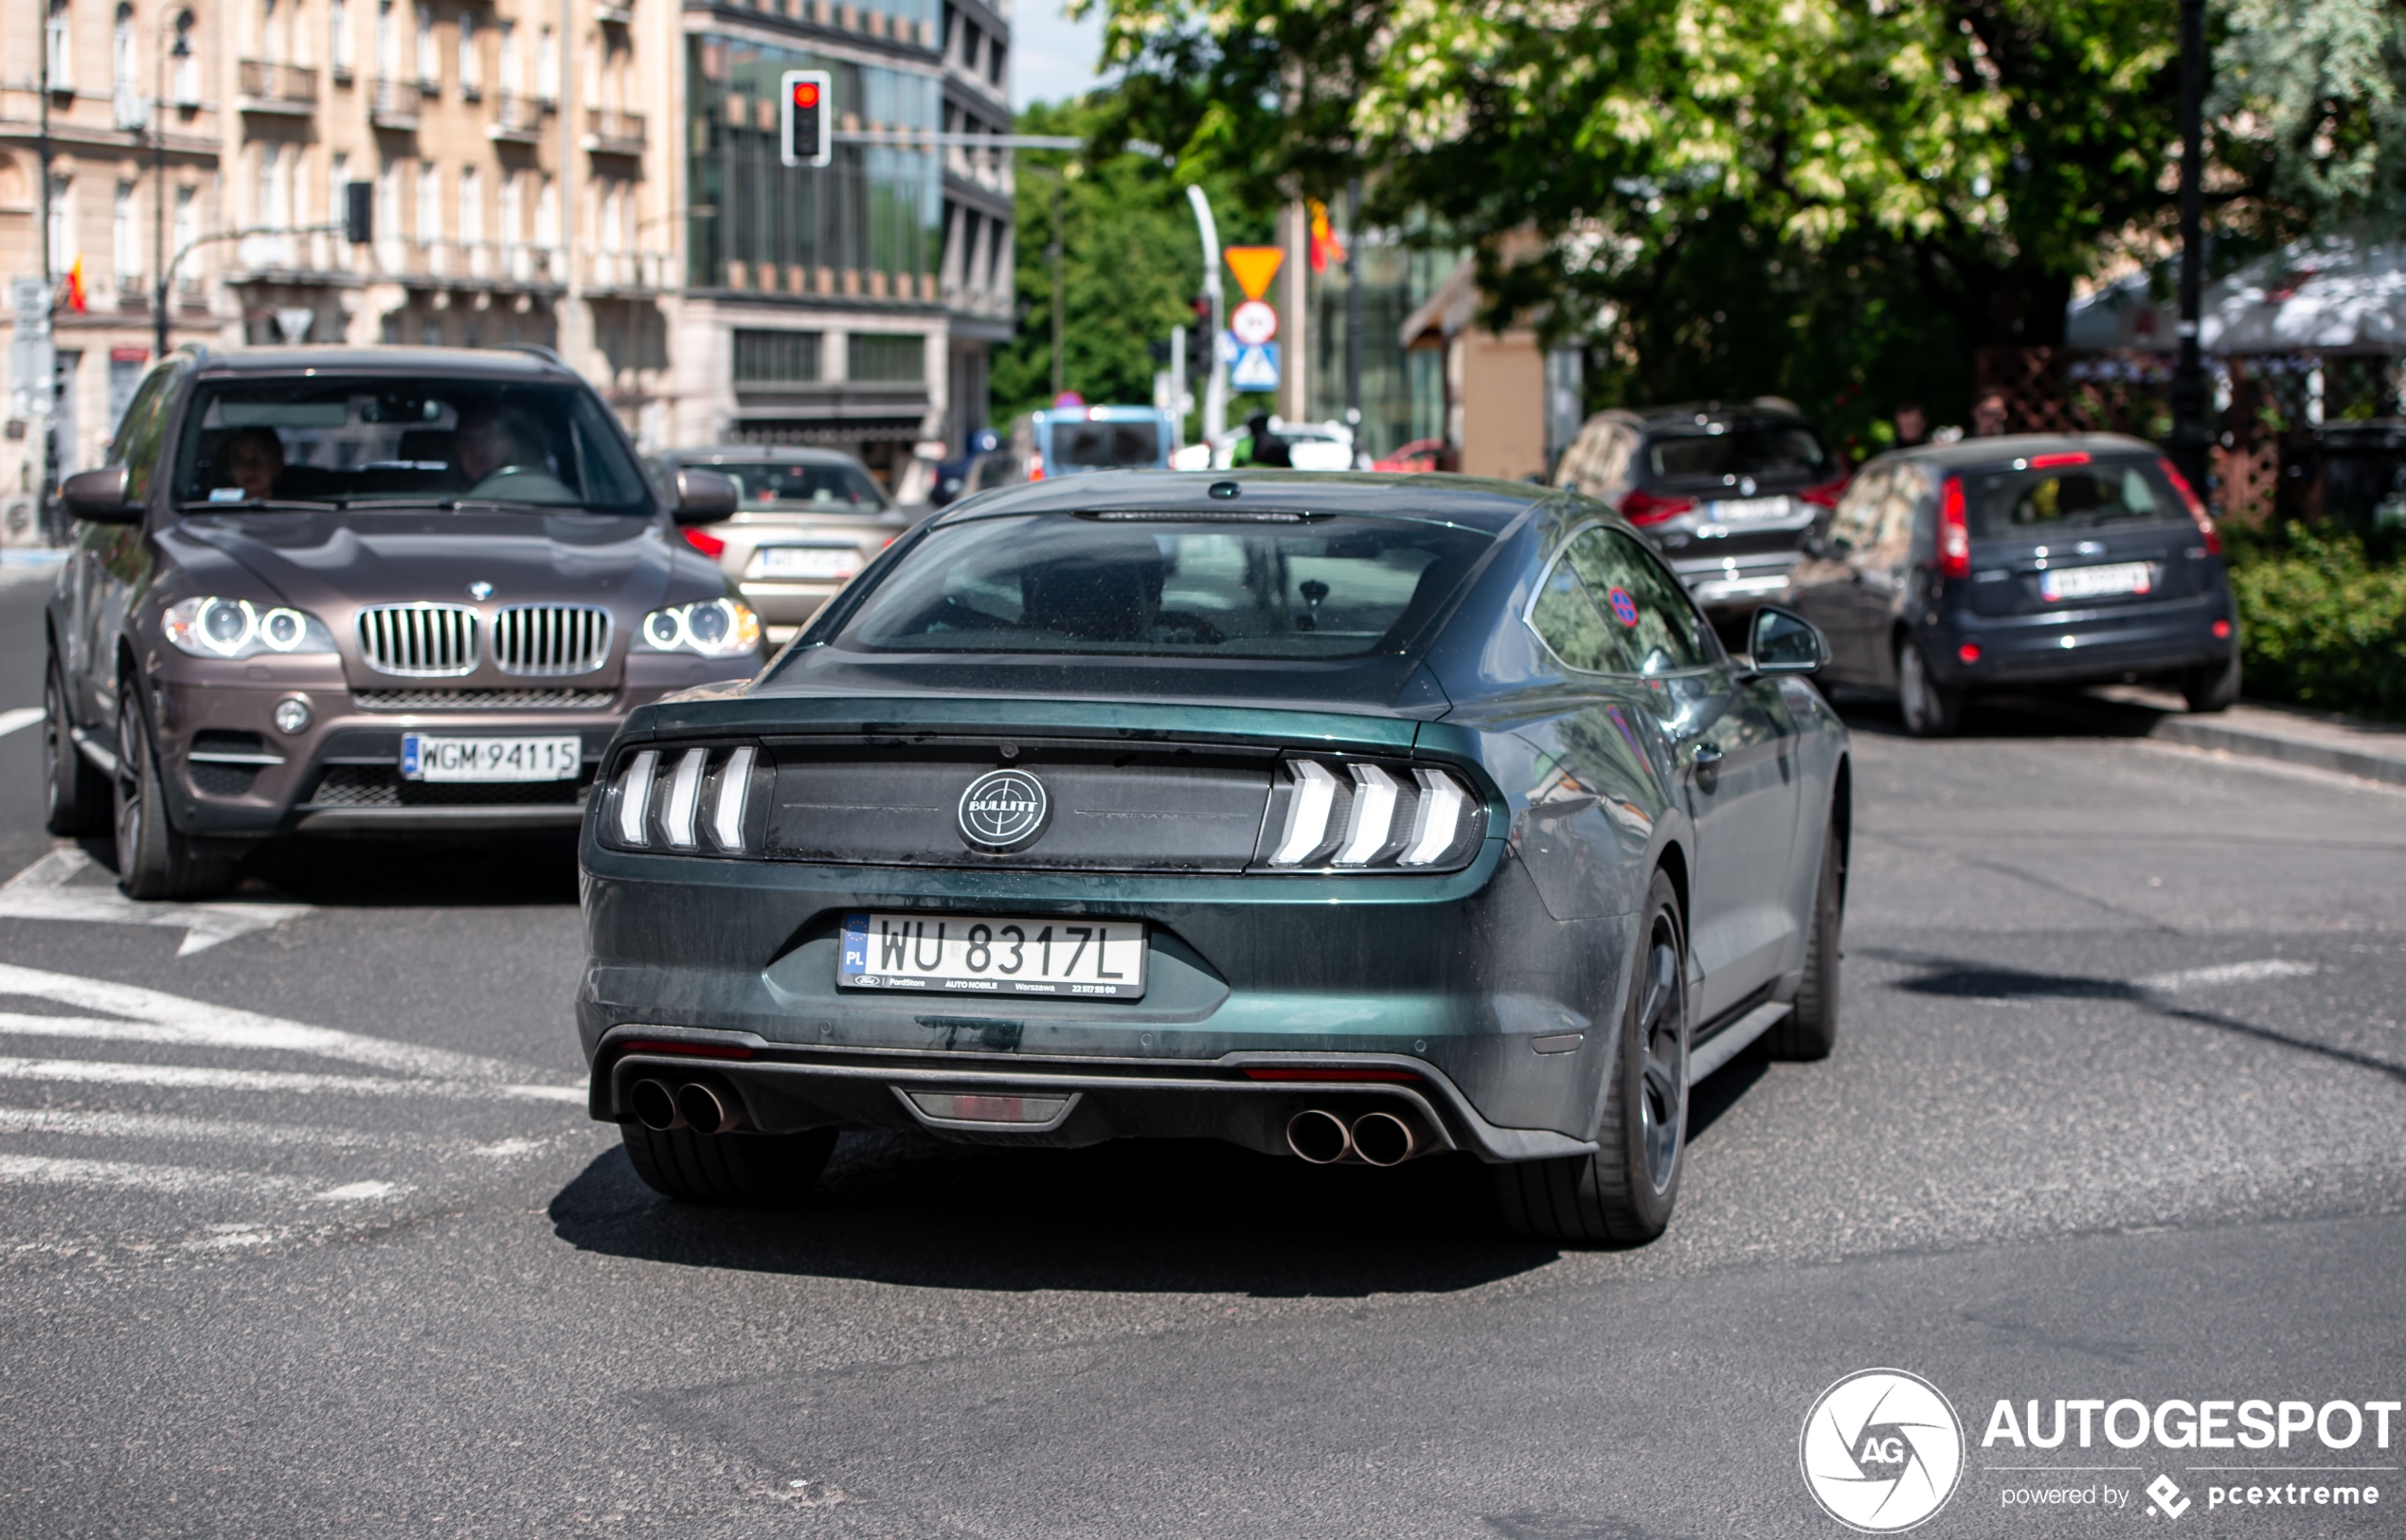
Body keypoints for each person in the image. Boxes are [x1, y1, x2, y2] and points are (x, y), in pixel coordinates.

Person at [454, 403, 547, 486]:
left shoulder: (529, 491)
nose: (477, 450)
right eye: (467, 441)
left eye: (486, 440)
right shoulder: (443, 493)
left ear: (507, 444)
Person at [221, 426, 286, 500]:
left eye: (258, 460)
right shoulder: (217, 509)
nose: (248, 469)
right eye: (240, 461)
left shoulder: (293, 508)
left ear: (276, 465)